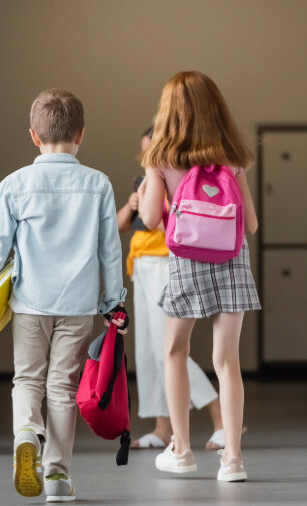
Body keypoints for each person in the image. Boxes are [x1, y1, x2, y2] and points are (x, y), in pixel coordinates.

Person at [0, 88, 127, 502]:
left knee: (27, 379)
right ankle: (57, 478)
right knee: (62, 387)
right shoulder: (98, 184)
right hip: (77, 306)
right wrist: (114, 303)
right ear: (81, 134)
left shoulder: (16, 183)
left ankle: (27, 432)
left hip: (29, 303)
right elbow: (110, 251)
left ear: (34, 136)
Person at [138, 71, 260, 482]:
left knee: (174, 351)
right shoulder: (232, 155)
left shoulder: (161, 157)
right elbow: (252, 225)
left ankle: (183, 450)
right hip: (232, 261)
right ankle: (234, 461)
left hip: (186, 261)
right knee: (227, 361)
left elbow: (151, 217)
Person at [117, 127, 229, 451]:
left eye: (152, 149)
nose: (146, 157)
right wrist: (131, 202)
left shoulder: (180, 178)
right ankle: (162, 427)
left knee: (167, 350)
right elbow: (121, 223)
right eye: (144, 151)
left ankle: (220, 419)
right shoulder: (143, 183)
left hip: (167, 264)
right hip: (141, 267)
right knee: (149, 352)